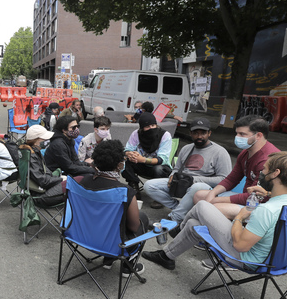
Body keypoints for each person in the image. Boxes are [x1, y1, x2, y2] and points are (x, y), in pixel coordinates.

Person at [143, 151, 287, 271]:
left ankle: (175, 230)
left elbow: (240, 246)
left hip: (251, 262)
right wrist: (267, 193)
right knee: (194, 224)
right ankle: (167, 256)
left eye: (264, 170)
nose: (261, 173)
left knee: (202, 206)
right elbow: (284, 202)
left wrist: (239, 217)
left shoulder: (266, 211)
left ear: (276, 174)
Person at [80, 140, 150, 276]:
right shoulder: (125, 192)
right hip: (111, 244)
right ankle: (127, 267)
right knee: (143, 218)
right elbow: (134, 227)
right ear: (119, 165)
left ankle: (108, 260)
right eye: (123, 160)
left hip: (81, 236)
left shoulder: (81, 181)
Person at [192, 115, 280, 220]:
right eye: (237, 133)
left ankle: (224, 234)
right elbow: (231, 179)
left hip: (261, 206)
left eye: (242, 134)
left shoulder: (268, 160)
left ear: (258, 136)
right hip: (246, 197)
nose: (237, 137)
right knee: (199, 195)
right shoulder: (245, 153)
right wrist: (213, 193)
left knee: (215, 207)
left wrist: (216, 200)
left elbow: (256, 196)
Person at [144, 118, 232, 221]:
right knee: (149, 185)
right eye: (196, 133)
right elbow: (177, 168)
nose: (199, 136)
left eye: (203, 133)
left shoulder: (220, 152)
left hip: (204, 187)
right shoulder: (186, 148)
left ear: (209, 133)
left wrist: (194, 180)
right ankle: (180, 208)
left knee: (197, 186)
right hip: (182, 182)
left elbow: (224, 179)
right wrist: (172, 175)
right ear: (191, 134)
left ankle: (175, 217)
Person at [122, 112, 172, 196]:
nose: (151, 128)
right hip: (141, 165)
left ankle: (160, 194)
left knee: (158, 169)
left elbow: (161, 159)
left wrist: (143, 159)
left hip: (159, 167)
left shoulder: (165, 135)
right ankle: (134, 188)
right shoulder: (136, 134)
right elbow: (127, 149)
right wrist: (130, 154)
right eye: (147, 127)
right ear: (142, 128)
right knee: (124, 162)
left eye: (153, 125)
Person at [19, 125, 67, 206]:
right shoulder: (31, 156)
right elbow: (43, 181)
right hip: (39, 195)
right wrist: (60, 179)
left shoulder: (30, 152)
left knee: (75, 183)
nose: (47, 140)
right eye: (44, 139)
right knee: (74, 186)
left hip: (39, 190)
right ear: (36, 141)